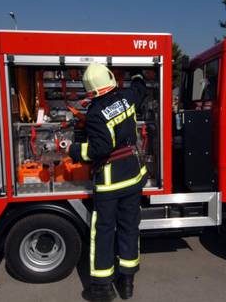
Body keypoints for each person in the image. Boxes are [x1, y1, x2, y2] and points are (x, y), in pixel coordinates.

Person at [67, 63, 147, 302]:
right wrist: (137, 73)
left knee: (102, 232)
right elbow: (140, 88)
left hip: (110, 185)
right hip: (133, 177)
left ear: (90, 90)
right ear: (111, 80)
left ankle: (102, 288)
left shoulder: (95, 113)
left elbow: (100, 149)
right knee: (129, 228)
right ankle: (127, 284)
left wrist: (75, 150)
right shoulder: (127, 97)